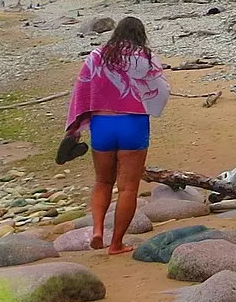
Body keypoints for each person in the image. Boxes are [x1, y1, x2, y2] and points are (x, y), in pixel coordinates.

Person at [64, 16, 169, 254]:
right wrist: (152, 107)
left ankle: (98, 230)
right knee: (128, 188)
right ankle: (116, 244)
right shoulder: (146, 58)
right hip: (133, 124)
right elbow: (161, 90)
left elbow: (81, 89)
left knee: (102, 182)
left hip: (102, 125)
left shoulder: (97, 56)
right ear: (140, 35)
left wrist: (75, 127)